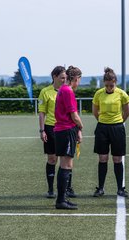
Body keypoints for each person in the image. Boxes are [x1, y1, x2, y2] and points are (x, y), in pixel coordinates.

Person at [92, 67, 129, 198]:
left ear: (116, 82)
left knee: (117, 159)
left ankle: (120, 188)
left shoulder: (122, 94)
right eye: (107, 85)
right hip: (102, 128)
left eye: (112, 85)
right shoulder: (98, 94)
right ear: (104, 83)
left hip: (117, 128)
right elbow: (95, 111)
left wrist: (118, 122)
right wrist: (103, 121)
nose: (109, 88)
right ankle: (100, 188)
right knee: (103, 158)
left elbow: (127, 112)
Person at [38, 66, 75, 198]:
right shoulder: (45, 92)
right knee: (52, 159)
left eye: (66, 78)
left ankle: (68, 188)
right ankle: (50, 189)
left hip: (65, 128)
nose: (64, 80)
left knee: (66, 159)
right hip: (51, 128)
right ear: (54, 77)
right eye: (62, 78)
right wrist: (42, 130)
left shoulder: (67, 90)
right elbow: (42, 113)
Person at [54, 66, 83, 210]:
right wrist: (81, 126)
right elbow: (74, 115)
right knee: (65, 165)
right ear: (75, 79)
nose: (79, 83)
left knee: (67, 164)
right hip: (65, 131)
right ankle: (61, 200)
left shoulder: (62, 90)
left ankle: (63, 198)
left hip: (63, 130)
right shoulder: (68, 90)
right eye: (79, 80)